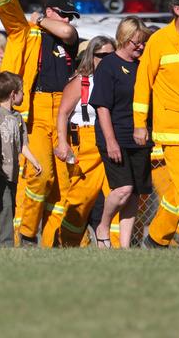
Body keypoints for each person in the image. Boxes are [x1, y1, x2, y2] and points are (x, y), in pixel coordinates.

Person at [0, 0, 80, 247]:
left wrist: (42, 20)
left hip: (64, 111)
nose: (67, 19)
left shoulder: (67, 35)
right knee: (41, 175)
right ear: (49, 10)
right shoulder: (27, 34)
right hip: (38, 110)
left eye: (70, 15)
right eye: (63, 14)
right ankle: (28, 234)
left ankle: (57, 242)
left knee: (67, 186)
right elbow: (11, 15)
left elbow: (67, 31)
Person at [132, 0, 179, 248]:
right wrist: (139, 124)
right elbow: (143, 83)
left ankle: (156, 237)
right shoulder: (159, 41)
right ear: (177, 9)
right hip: (172, 129)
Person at [90, 17, 153, 248]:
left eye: (143, 42)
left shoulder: (143, 64)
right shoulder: (109, 66)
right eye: (136, 43)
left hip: (140, 136)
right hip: (115, 135)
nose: (141, 47)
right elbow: (102, 107)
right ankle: (103, 226)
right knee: (123, 189)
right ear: (123, 40)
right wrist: (111, 141)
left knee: (134, 193)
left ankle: (124, 247)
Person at [51, 36, 118, 247]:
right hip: (86, 142)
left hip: (111, 141)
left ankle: (115, 246)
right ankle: (64, 241)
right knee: (81, 198)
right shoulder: (82, 80)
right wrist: (63, 143)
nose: (106, 60)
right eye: (101, 56)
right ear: (91, 56)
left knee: (115, 195)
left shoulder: (116, 78)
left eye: (111, 55)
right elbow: (62, 113)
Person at [0, 71, 41, 247]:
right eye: (22, 91)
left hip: (13, 171)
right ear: (13, 94)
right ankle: (7, 245)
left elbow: (22, 145)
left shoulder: (18, 118)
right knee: (6, 206)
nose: (24, 94)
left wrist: (34, 161)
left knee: (8, 208)